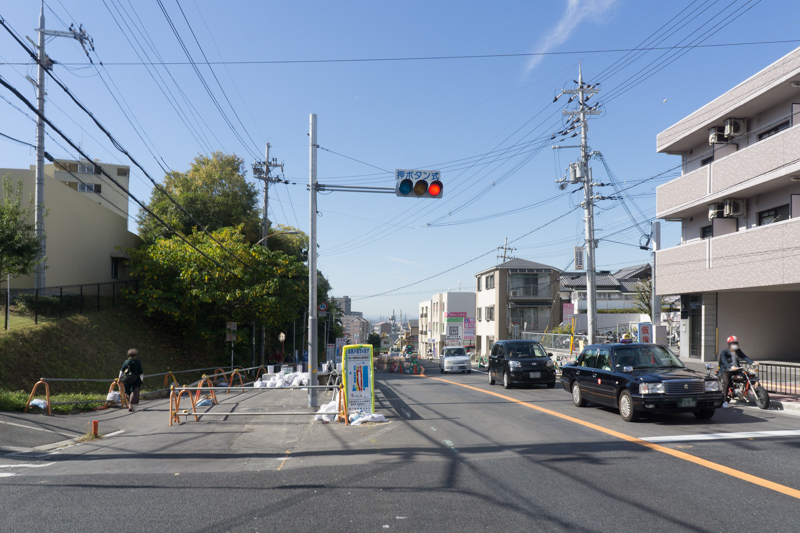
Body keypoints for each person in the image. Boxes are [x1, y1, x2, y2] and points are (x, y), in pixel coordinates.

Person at [718, 336, 755, 408]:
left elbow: (744, 357)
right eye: (733, 343)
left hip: (737, 369)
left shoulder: (738, 351)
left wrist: (752, 363)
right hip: (726, 370)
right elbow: (724, 362)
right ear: (729, 344)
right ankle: (724, 401)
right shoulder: (724, 352)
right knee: (727, 383)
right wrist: (731, 367)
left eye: (736, 343)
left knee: (746, 376)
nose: (735, 344)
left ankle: (745, 392)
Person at [119, 348, 144, 412]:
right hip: (136, 379)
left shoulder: (126, 362)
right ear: (136, 355)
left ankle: (130, 404)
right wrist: (142, 379)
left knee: (128, 392)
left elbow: (121, 370)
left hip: (127, 379)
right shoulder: (138, 362)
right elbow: (141, 372)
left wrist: (119, 378)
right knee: (134, 391)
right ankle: (131, 405)